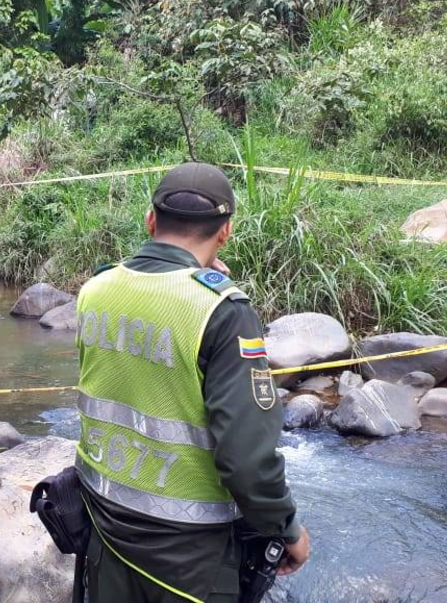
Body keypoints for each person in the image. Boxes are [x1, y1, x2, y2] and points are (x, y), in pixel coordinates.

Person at [74, 162, 309, 602]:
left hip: (103, 526)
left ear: (150, 221)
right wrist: (287, 527)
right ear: (225, 233)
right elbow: (246, 459)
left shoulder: (96, 288)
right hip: (189, 556)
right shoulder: (223, 311)